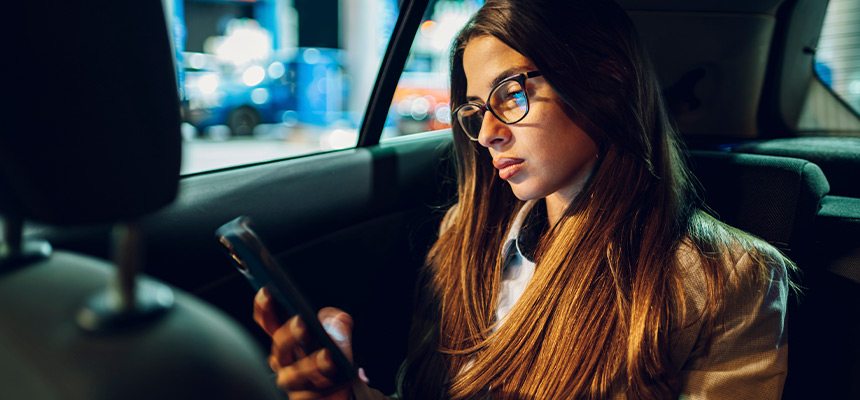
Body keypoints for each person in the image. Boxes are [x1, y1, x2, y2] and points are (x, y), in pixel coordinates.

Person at [253, 0, 793, 398]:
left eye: (510, 93)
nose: (486, 132)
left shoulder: (730, 277)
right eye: (472, 110)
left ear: (606, 82)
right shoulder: (463, 236)